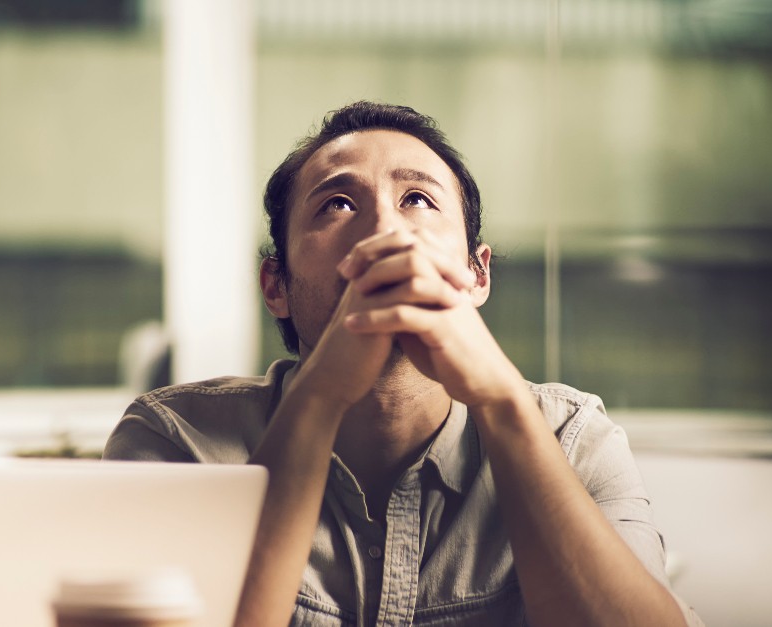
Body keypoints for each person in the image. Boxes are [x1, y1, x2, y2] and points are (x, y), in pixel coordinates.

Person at [104, 101, 703, 627]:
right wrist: (321, 395)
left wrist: (501, 402)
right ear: (276, 285)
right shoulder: (173, 441)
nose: (387, 231)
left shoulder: (575, 440)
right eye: (337, 204)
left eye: (417, 199)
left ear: (477, 275)